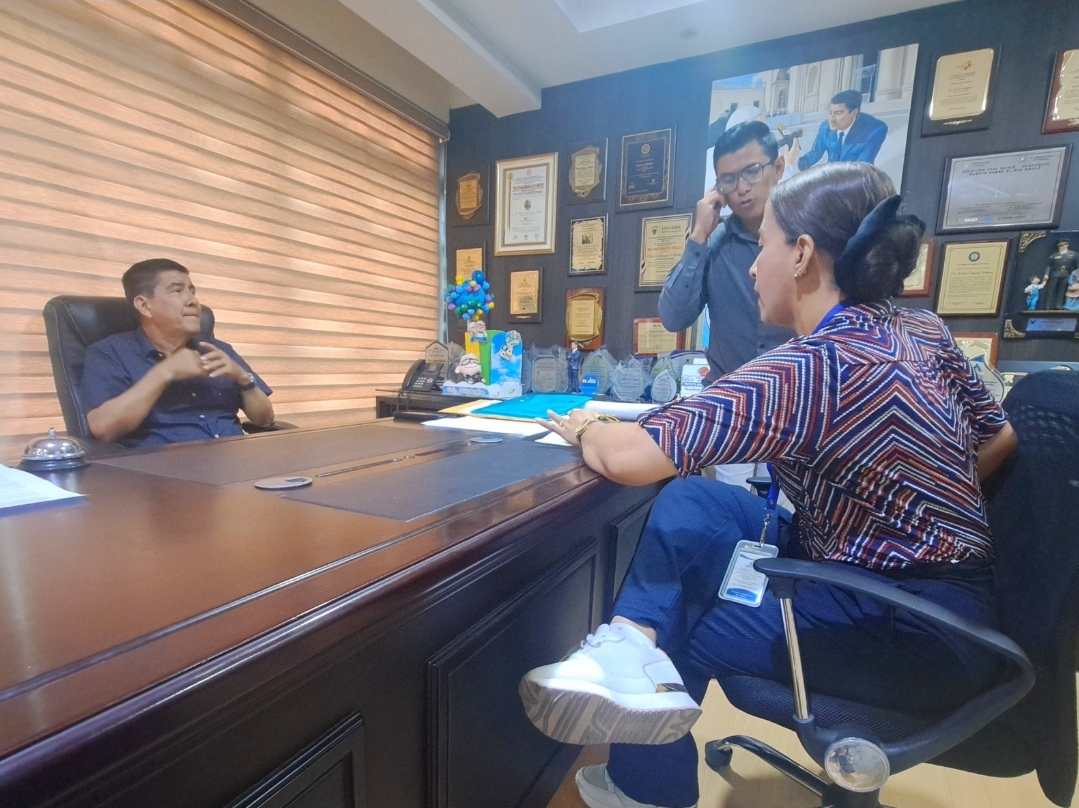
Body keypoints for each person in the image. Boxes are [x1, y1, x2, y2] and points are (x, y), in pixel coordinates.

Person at [520, 162, 1017, 808]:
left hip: (913, 635)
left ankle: (646, 789)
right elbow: (999, 439)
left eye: (763, 248)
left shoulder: (811, 367)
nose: (754, 269)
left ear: (802, 254)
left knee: (690, 613)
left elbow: (629, 458)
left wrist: (586, 426)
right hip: (956, 606)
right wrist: (911, 510)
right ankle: (628, 643)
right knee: (698, 499)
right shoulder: (924, 329)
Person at [82, 258, 274, 448]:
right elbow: (103, 429)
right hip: (166, 465)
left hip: (235, 457)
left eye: (192, 291)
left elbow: (265, 420)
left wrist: (243, 379)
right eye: (177, 290)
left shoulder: (219, 350)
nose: (193, 301)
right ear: (145, 306)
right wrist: (165, 372)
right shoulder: (110, 352)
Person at [659, 121, 795, 384]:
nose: (742, 188)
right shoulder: (714, 244)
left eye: (752, 172)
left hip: (793, 398)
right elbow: (673, 318)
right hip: (726, 398)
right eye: (728, 180)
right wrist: (699, 235)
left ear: (778, 168)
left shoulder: (807, 239)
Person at [798, 89, 888, 170]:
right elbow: (815, 153)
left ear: (854, 113)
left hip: (855, 179)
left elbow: (861, 169)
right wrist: (796, 156)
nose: (831, 119)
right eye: (830, 113)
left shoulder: (874, 130)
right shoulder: (826, 127)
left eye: (838, 113)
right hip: (831, 175)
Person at [1042, 239, 1078, 310]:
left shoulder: (1073, 254)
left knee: (1062, 291)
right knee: (1051, 291)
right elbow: (1049, 265)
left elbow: (1077, 266)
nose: (1061, 247)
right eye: (1059, 246)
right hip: (1055, 274)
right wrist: (1046, 274)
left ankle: (1058, 306)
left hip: (1066, 274)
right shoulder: (1054, 255)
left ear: (1067, 245)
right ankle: (1048, 306)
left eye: (1062, 245)